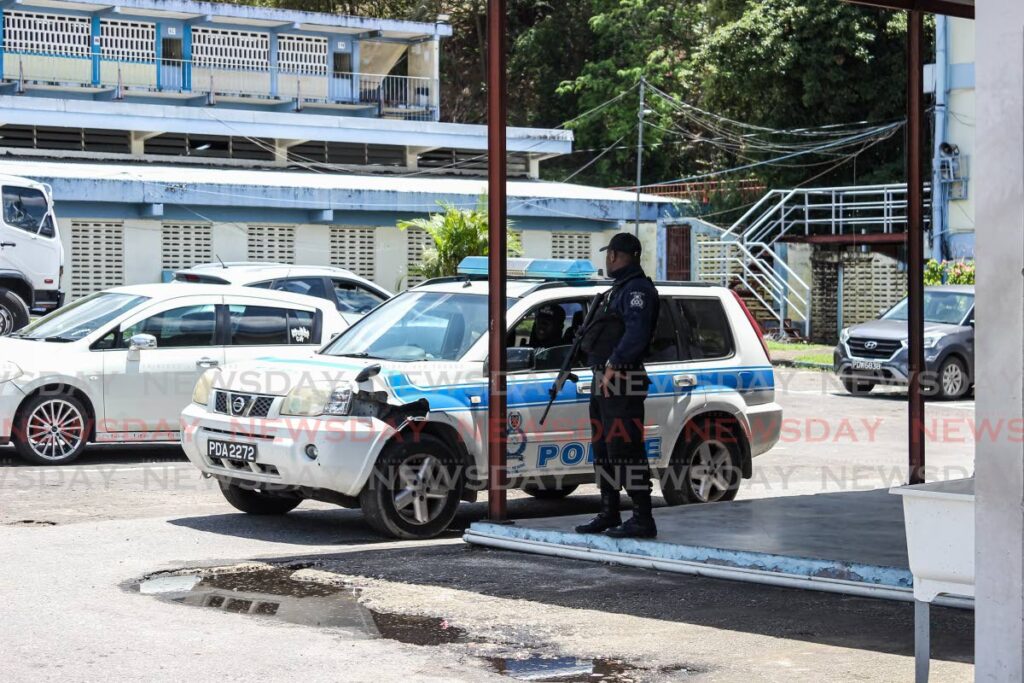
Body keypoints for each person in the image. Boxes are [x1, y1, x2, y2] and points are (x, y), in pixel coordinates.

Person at [575, 232, 660, 538]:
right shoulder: (617, 290)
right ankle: (609, 512)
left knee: (625, 449)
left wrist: (612, 365)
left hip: (624, 379)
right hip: (605, 381)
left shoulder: (637, 291)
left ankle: (642, 517)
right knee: (604, 449)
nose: (606, 260)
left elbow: (636, 335)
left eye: (608, 254)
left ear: (614, 255)